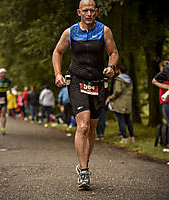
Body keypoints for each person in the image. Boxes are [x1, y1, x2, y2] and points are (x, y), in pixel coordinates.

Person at [52, 0, 118, 190]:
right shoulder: (70, 32)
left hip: (98, 83)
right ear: (79, 12)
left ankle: (84, 161)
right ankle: (84, 170)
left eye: (92, 10)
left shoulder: (104, 31)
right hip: (77, 81)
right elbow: (57, 52)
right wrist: (57, 73)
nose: (89, 13)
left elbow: (113, 53)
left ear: (96, 11)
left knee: (92, 129)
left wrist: (111, 66)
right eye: (85, 10)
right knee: (83, 125)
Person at [106, 64, 134, 144]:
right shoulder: (129, 79)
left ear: (119, 70)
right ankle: (132, 137)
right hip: (128, 102)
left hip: (120, 103)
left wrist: (110, 98)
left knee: (121, 120)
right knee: (128, 120)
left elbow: (117, 91)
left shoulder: (118, 80)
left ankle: (124, 138)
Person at [152, 60, 169, 152]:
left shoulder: (165, 75)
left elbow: (154, 81)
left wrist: (166, 87)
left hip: (166, 101)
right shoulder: (163, 76)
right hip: (164, 100)